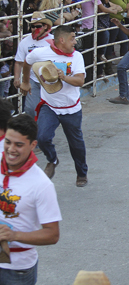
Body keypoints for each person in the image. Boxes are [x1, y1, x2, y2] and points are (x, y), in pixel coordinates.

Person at [21, 25, 88, 187]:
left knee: (76, 145)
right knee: (42, 138)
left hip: (71, 108)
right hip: (49, 105)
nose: (75, 41)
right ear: (61, 40)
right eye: (72, 38)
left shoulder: (77, 56)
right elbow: (27, 62)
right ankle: (52, 160)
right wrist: (25, 81)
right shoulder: (41, 53)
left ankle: (81, 173)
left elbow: (80, 81)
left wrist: (64, 77)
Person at [0, 114, 62, 284]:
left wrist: (14, 235)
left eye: (19, 145)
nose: (11, 149)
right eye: (8, 142)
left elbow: (52, 234)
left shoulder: (41, 185)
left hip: (16, 271)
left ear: (33, 145)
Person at [13, 12, 54, 118]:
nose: (34, 29)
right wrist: (17, 78)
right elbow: (18, 62)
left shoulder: (53, 41)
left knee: (50, 108)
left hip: (51, 80)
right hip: (32, 79)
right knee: (31, 109)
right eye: (32, 26)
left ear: (45, 26)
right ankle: (34, 130)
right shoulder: (25, 41)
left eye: (38, 26)